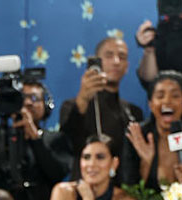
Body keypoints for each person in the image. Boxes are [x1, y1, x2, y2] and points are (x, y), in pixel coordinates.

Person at [0, 79, 72, 200]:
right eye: (23, 97)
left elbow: (57, 173)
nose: (28, 103)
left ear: (46, 105)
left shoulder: (56, 139)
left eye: (35, 98)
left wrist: (35, 138)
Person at [60, 37, 144, 171]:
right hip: (86, 186)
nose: (116, 62)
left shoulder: (134, 112)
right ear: (97, 62)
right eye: (109, 55)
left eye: (122, 57)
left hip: (125, 189)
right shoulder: (71, 106)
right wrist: (82, 100)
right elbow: (68, 143)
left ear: (127, 66)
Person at [47, 135, 166, 200]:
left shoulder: (120, 197)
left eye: (100, 157)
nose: (91, 164)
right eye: (86, 157)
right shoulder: (63, 191)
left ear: (114, 164)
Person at [120, 70, 182, 189]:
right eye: (160, 96)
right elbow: (130, 190)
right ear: (151, 104)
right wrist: (146, 163)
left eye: (175, 96)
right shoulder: (138, 136)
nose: (167, 101)